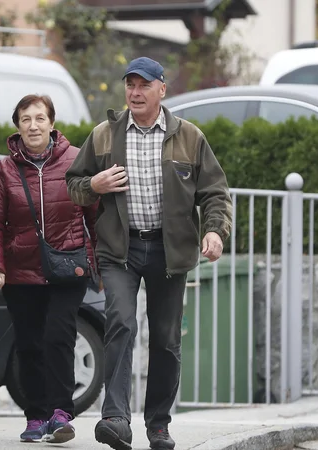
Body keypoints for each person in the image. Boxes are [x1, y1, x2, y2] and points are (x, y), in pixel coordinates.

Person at [65, 57, 233, 450]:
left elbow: (215, 193)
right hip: (119, 250)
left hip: (170, 251)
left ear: (162, 90)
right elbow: (74, 184)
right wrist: (95, 183)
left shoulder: (189, 137)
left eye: (144, 85)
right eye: (130, 85)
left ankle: (158, 424)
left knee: (166, 339)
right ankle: (116, 419)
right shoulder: (104, 135)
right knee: (121, 322)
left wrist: (214, 231)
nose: (135, 93)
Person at [0, 94, 99, 444]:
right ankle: (36, 416)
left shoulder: (76, 160)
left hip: (68, 266)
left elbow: (94, 214)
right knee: (29, 344)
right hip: (21, 271)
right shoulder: (6, 169)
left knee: (58, 336)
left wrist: (98, 265)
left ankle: (61, 414)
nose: (33, 125)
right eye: (26, 119)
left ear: (51, 123)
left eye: (40, 118)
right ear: (17, 126)